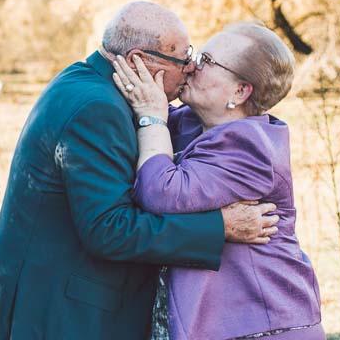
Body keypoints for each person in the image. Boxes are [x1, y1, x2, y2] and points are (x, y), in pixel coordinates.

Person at [0, 2, 279, 340]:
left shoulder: (87, 81)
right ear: (140, 60)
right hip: (63, 314)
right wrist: (219, 227)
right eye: (183, 59)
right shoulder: (98, 109)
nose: (190, 69)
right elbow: (108, 229)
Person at [111, 22, 324, 340]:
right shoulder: (196, 123)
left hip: (263, 326)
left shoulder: (251, 147)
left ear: (240, 91)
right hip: (230, 325)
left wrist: (152, 116)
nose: (193, 65)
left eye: (208, 61)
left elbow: (161, 192)